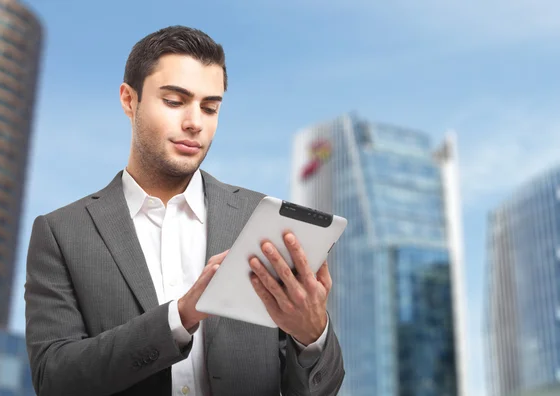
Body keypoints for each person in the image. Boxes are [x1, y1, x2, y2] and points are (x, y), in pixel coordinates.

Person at [24, 25, 344, 396]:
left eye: (210, 107)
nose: (195, 123)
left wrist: (312, 334)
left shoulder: (259, 220)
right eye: (175, 102)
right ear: (129, 100)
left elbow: (321, 389)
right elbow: (54, 379)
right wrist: (180, 317)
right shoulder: (62, 233)